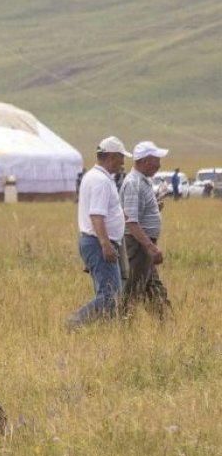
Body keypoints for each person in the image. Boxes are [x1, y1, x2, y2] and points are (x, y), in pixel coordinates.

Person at [67, 136, 130, 330]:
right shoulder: (101, 181)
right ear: (111, 156)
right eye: (121, 158)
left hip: (96, 241)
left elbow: (105, 212)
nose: (123, 163)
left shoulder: (95, 177)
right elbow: (96, 215)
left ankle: (105, 332)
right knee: (110, 294)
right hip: (98, 242)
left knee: (108, 292)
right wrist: (105, 244)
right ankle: (75, 322)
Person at [120, 140, 172, 317]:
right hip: (139, 245)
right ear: (145, 161)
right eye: (156, 160)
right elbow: (131, 222)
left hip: (143, 244)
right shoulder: (134, 183)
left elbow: (136, 213)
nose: (159, 165)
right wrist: (150, 247)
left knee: (153, 286)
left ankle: (166, 323)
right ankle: (123, 326)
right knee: (134, 288)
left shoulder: (142, 181)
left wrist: (154, 208)